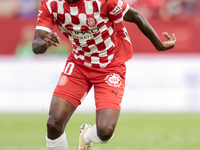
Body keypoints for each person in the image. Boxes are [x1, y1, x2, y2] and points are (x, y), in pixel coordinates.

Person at [32, 0, 177, 149]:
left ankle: (86, 136)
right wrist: (43, 43)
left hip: (110, 66)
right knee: (54, 123)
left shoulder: (102, 2)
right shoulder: (51, 4)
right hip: (79, 65)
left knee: (105, 131)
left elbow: (136, 15)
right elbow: (36, 44)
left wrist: (159, 45)